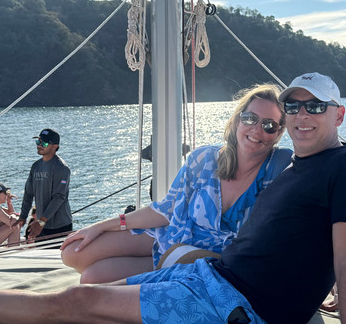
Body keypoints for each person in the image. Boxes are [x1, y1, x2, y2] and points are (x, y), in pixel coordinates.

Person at [0, 72, 346, 324]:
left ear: (338, 115)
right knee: (79, 294)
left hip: (237, 306)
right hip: (211, 277)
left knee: (78, 304)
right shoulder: (297, 167)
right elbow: (305, 241)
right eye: (295, 107)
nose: (302, 116)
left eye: (315, 107)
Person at [61, 84, 293, 284]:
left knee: (90, 278)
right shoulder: (204, 159)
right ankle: (151, 268)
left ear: (279, 132)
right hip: (173, 235)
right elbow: (167, 210)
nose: (257, 130)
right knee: (72, 252)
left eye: (269, 125)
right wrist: (102, 226)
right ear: (237, 119)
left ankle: (156, 274)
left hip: (195, 260)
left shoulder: (279, 168)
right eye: (250, 118)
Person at [17, 128, 72, 242]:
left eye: (44, 143)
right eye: (38, 142)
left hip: (59, 226)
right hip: (40, 225)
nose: (39, 145)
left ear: (55, 146)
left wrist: (41, 221)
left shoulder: (62, 168)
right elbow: (28, 193)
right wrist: (23, 216)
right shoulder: (36, 166)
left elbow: (59, 197)